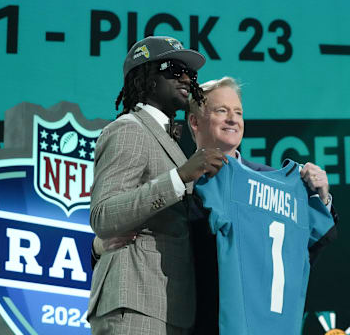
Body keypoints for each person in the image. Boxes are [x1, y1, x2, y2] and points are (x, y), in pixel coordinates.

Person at [87, 36, 228, 335]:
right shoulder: (128, 130)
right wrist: (179, 177)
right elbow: (103, 215)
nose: (187, 78)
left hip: (170, 307)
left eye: (191, 73)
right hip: (135, 304)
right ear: (148, 78)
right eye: (175, 69)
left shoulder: (171, 141)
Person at [187, 76, 338, 335]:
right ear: (194, 121)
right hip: (202, 320)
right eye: (222, 111)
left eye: (238, 112)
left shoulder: (275, 182)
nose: (233, 119)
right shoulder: (180, 179)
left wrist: (321, 199)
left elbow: (309, 245)